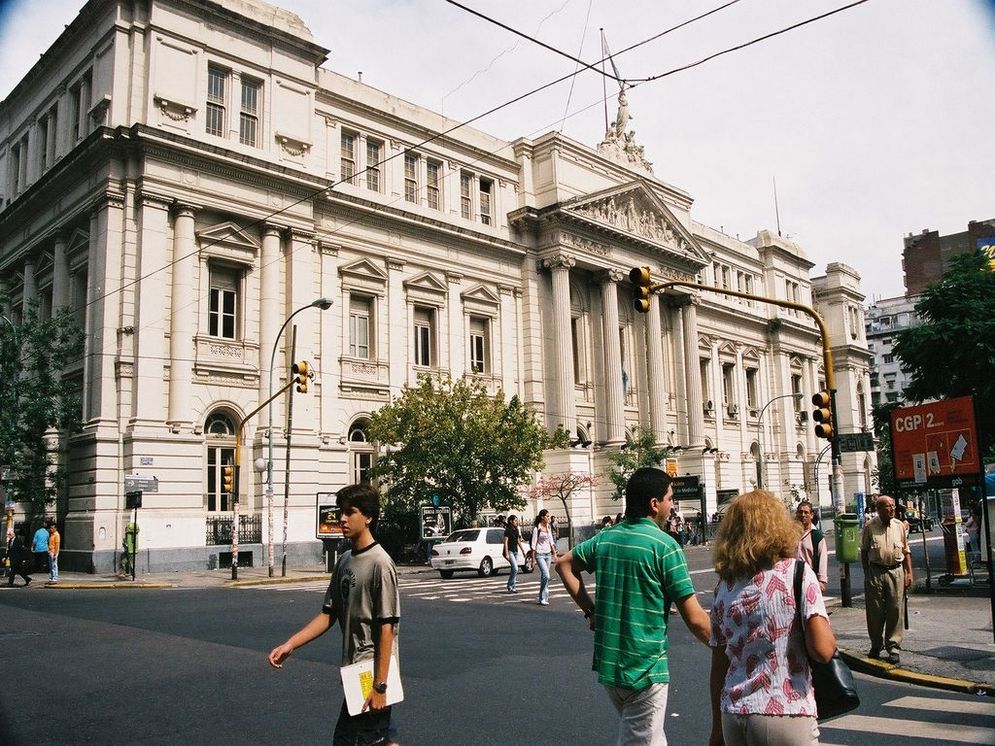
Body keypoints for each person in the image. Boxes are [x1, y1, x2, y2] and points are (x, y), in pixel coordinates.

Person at [556, 468, 711, 745]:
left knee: (650, 736)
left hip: (611, 665)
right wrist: (729, 647)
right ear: (654, 504)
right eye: (670, 498)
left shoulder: (606, 538)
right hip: (645, 668)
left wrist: (591, 611)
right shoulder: (665, 546)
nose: (672, 506)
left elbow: (564, 564)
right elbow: (696, 619)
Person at [268, 484, 400, 746]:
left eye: (350, 512)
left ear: (369, 517)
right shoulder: (345, 560)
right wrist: (291, 644)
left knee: (350, 740)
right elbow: (329, 613)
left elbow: (387, 628)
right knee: (376, 738)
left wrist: (380, 686)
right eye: (342, 512)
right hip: (354, 670)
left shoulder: (380, 564)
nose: (342, 518)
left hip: (370, 671)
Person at [709, 491, 837, 746]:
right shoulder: (797, 573)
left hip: (734, 714)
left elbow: (718, 666)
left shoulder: (724, 586)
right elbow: (823, 651)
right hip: (785, 710)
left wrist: (716, 729)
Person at [860, 495, 912, 664]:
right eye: (888, 506)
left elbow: (906, 551)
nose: (892, 509)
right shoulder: (870, 526)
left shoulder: (899, 526)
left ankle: (893, 647)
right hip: (876, 571)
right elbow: (864, 551)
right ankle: (876, 645)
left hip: (896, 571)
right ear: (879, 509)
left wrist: (908, 573)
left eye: (893, 506)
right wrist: (867, 572)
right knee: (875, 611)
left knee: (895, 609)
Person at [795, 500, 828, 592]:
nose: (803, 515)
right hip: (793, 576)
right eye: (800, 512)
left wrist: (821, 580)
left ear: (811, 515)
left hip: (809, 577)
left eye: (806, 512)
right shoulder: (791, 533)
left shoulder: (817, 535)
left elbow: (823, 558)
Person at [531, 510, 558, 606]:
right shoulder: (536, 529)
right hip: (539, 554)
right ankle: (542, 597)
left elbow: (551, 541)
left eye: (549, 516)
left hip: (548, 554)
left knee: (545, 577)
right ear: (542, 517)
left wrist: (554, 554)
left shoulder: (548, 527)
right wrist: (533, 560)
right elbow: (533, 545)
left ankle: (543, 597)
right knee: (546, 575)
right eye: (547, 516)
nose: (549, 518)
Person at [502, 514, 526, 593]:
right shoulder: (508, 530)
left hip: (515, 551)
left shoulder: (516, 529)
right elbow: (505, 542)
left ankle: (513, 587)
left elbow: (518, 541)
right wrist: (506, 554)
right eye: (515, 520)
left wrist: (522, 550)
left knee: (514, 569)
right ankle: (510, 584)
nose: (517, 522)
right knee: (515, 568)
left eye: (517, 520)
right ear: (511, 521)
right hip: (509, 551)